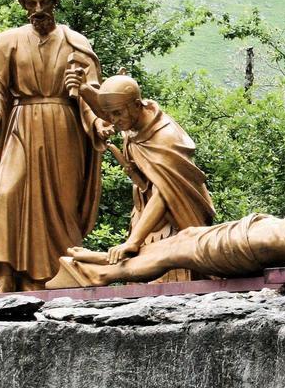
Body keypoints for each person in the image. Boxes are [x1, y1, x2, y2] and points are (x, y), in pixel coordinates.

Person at [0, 0, 105, 292]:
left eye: (43, 3)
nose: (38, 10)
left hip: (64, 128)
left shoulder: (76, 43)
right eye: (31, 4)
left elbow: (93, 93)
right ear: (23, 8)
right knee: (9, 193)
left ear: (53, 4)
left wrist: (99, 119)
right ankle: (8, 274)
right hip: (21, 124)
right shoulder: (7, 41)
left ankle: (59, 275)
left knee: (62, 203)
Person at [70, 74, 215, 281]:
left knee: (168, 281)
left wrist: (133, 240)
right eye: (110, 115)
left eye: (117, 114)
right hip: (145, 214)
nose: (113, 121)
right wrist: (85, 90)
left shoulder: (165, 138)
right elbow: (107, 110)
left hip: (173, 220)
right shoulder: (132, 122)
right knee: (138, 273)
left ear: (137, 105)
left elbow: (164, 194)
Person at [54, 206, 285, 287]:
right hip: (250, 229)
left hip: (240, 248)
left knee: (172, 251)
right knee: (183, 237)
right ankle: (104, 257)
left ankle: (101, 274)